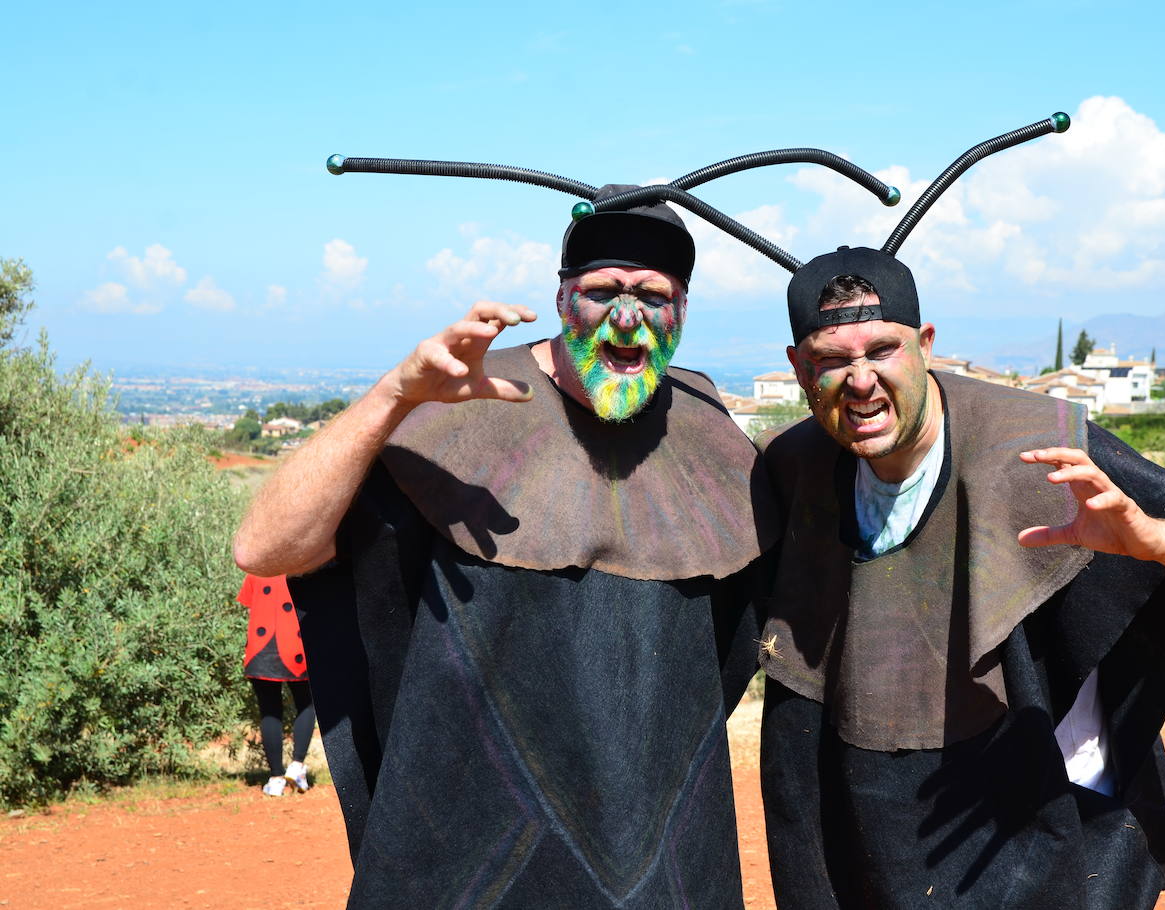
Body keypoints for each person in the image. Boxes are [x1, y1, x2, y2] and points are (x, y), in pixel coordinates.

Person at [233, 189, 776, 908]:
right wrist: (396, 395)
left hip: (665, 864)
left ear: (682, 309)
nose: (626, 318)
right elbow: (265, 548)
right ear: (560, 298)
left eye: (653, 295)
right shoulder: (461, 405)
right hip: (467, 864)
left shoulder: (714, 437)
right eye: (603, 291)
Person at [755, 246, 1165, 909]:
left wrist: (1154, 539)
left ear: (924, 345)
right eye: (832, 360)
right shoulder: (792, 468)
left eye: (882, 351)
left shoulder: (1038, 448)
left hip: (1028, 837)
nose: (859, 381)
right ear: (798, 368)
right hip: (863, 839)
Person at [237, 574, 314, 796]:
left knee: (269, 712)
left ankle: (276, 778)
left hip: (260, 650)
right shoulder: (300, 566)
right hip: (296, 646)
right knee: (307, 704)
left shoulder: (256, 568)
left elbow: (250, 607)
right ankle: (297, 766)